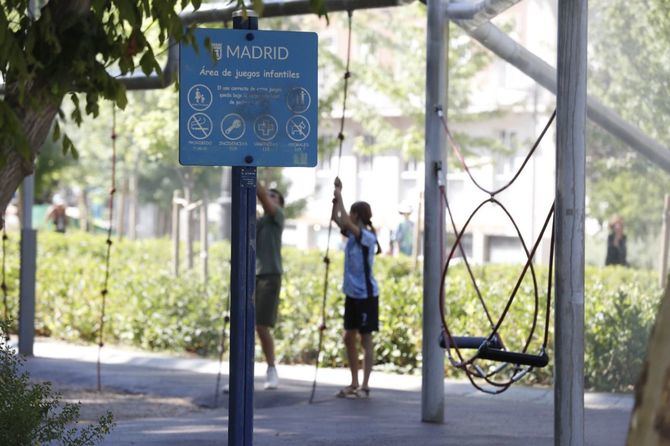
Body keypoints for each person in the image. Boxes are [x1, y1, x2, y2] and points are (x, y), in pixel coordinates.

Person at [331, 177, 381, 398]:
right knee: (348, 337)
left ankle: (365, 384)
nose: (348, 217)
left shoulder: (367, 237)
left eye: (351, 213)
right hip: (352, 294)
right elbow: (337, 219)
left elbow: (346, 223)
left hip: (366, 296)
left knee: (365, 338)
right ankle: (353, 381)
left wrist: (340, 194)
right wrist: (336, 202)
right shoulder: (352, 235)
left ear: (357, 216)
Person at [255, 184, 285, 389]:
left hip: (269, 275)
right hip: (251, 274)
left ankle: (271, 369)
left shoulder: (278, 216)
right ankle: (241, 374)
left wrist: (250, 166)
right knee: (243, 327)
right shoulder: (258, 220)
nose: (269, 197)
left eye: (273, 196)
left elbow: (262, 197)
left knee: (261, 325)